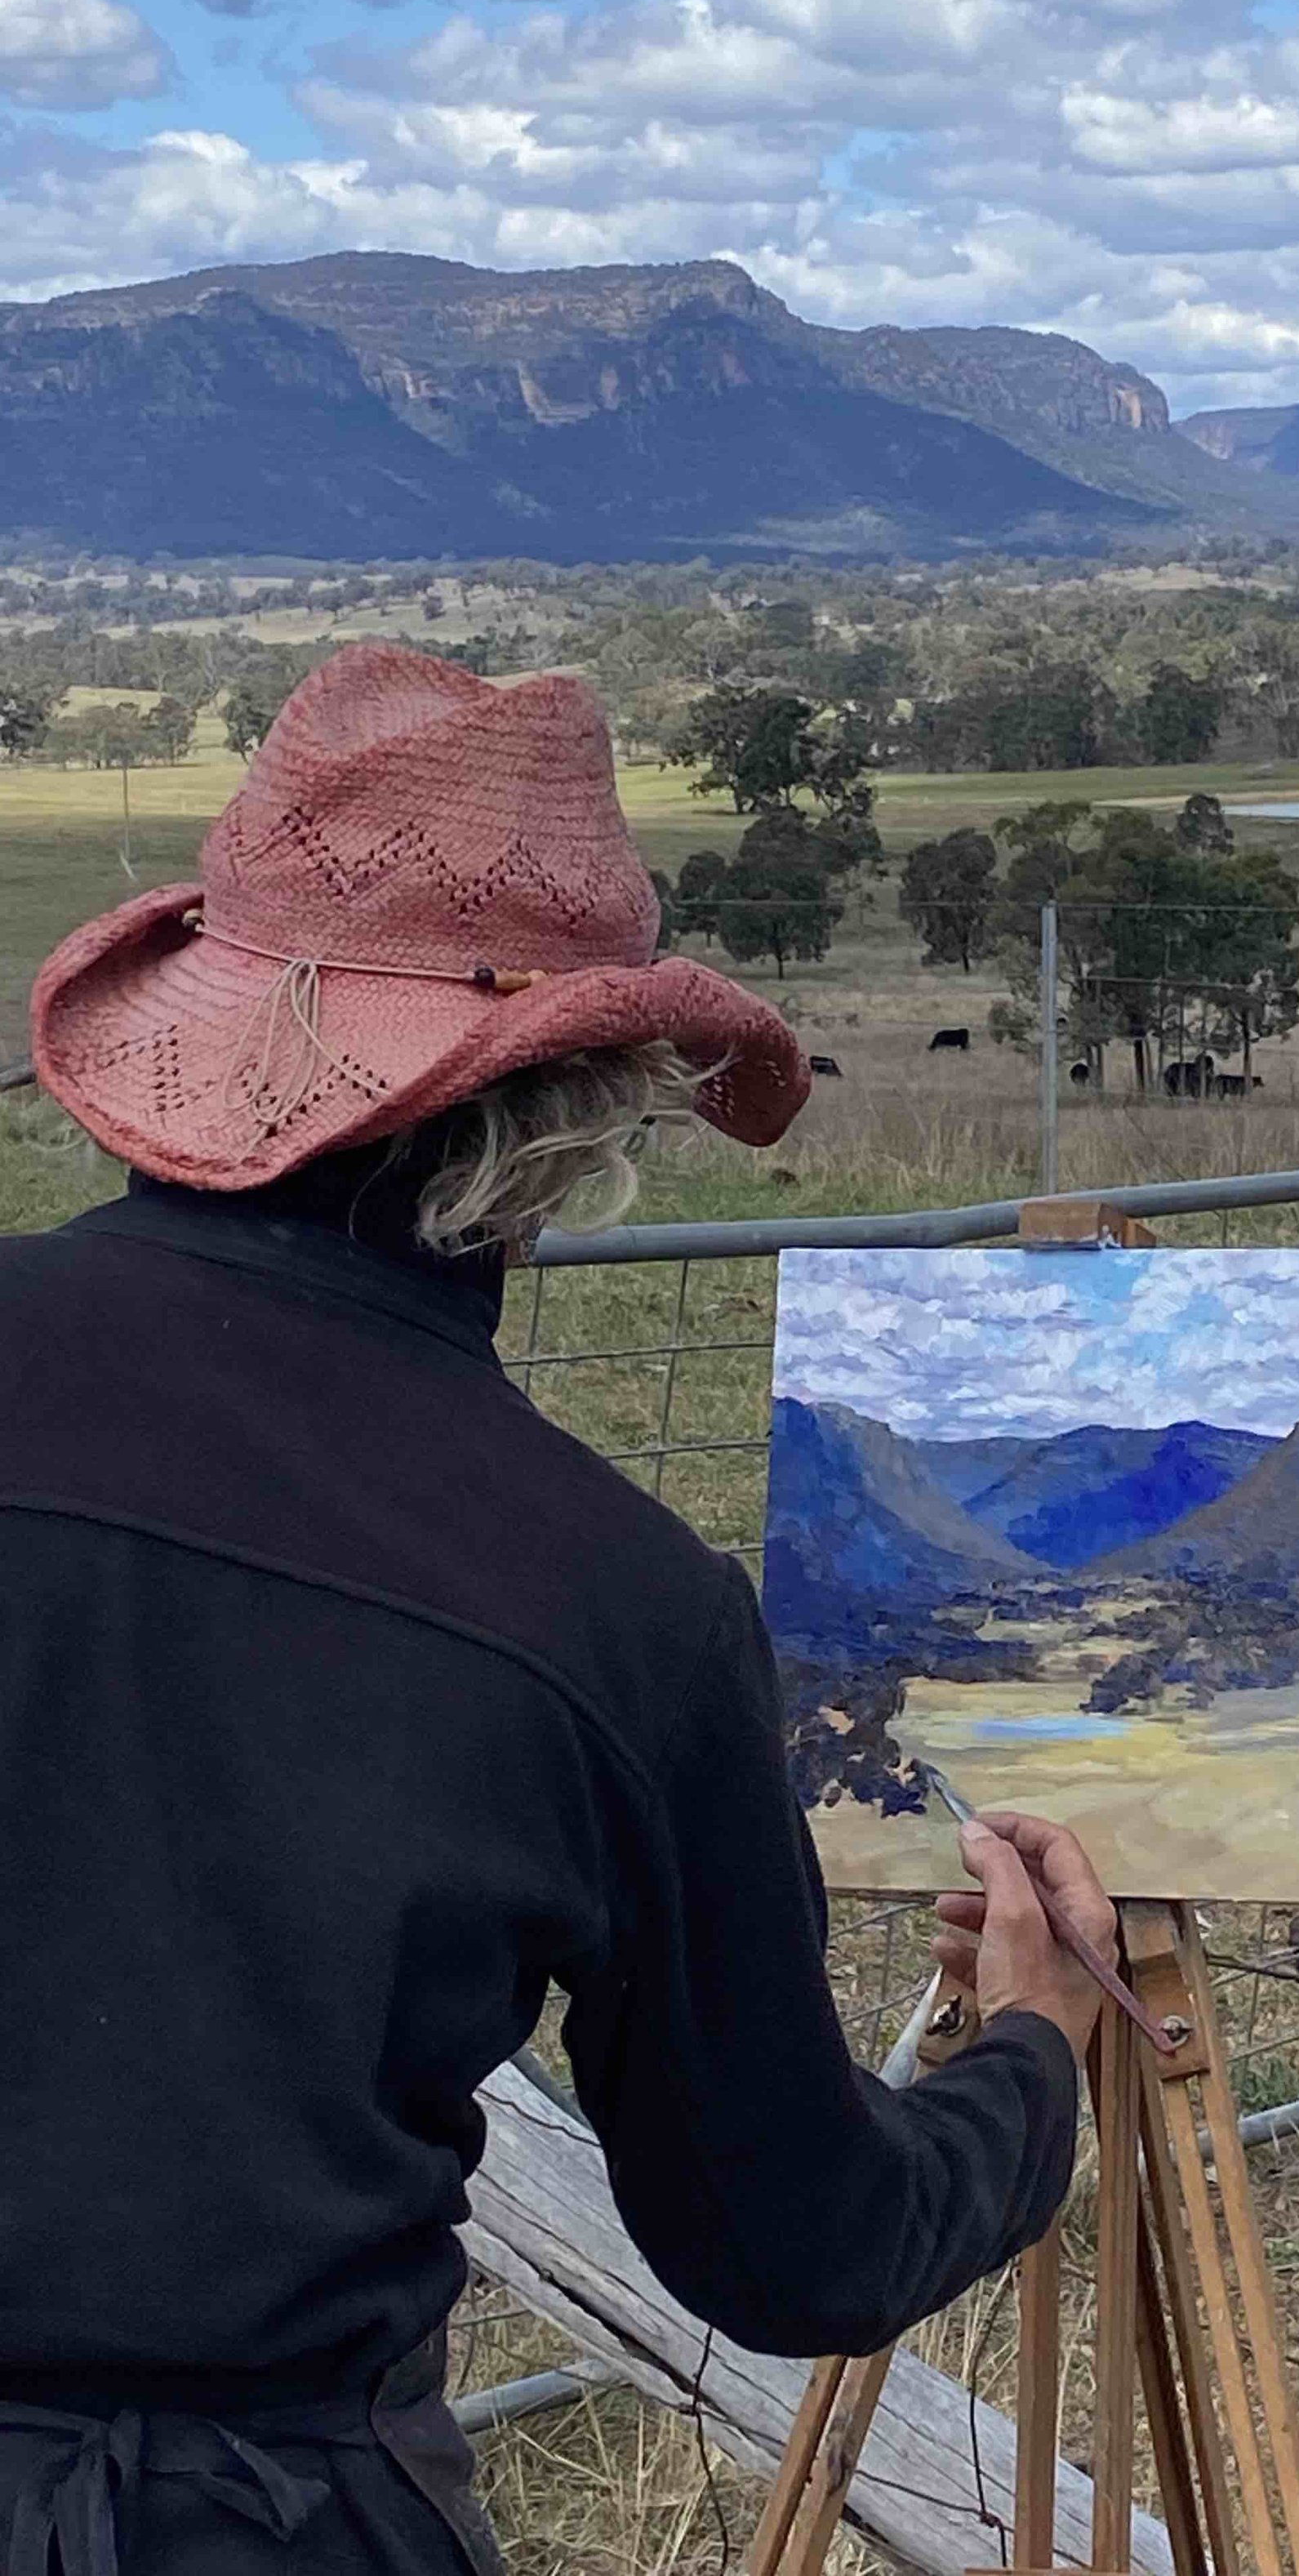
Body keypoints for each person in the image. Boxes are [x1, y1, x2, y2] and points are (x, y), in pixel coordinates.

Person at [0, 643, 1115, 2574]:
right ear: (569, 1114)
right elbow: (796, 2240)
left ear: (188, 1042)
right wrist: (1030, 2053)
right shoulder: (610, 1606)